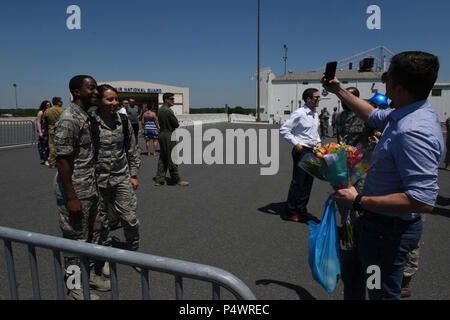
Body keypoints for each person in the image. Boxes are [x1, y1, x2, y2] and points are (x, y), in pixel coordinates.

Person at [323, 51, 444, 300]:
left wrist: (358, 201)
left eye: (387, 77)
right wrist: (338, 90)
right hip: (373, 225)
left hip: (386, 233)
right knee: (352, 272)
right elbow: (371, 114)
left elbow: (422, 200)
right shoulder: (406, 112)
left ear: (398, 87)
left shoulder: (413, 131)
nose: (384, 83)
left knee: (380, 293)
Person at [54, 75, 110, 300]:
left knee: (95, 236)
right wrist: (71, 197)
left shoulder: (88, 116)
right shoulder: (69, 119)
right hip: (76, 191)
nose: (96, 91)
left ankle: (92, 277)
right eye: (92, 88)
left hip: (91, 189)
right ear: (77, 92)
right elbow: (63, 160)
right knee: (75, 242)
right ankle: (75, 287)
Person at [90, 85, 141, 272]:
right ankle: (103, 259)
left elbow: (131, 149)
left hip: (121, 177)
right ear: (99, 101)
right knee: (100, 223)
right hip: (98, 181)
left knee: (130, 218)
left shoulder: (123, 121)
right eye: (109, 99)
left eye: (115, 99)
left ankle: (135, 254)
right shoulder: (90, 122)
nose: (114, 103)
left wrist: (133, 174)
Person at [279, 88, 322, 223]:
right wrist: (296, 143)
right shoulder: (299, 113)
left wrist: (319, 141)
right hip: (302, 151)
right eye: (316, 97)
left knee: (308, 183)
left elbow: (313, 132)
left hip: (313, 150)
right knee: (298, 182)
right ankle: (290, 212)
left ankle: (302, 210)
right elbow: (284, 130)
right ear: (309, 99)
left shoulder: (315, 114)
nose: (319, 99)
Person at [154, 93, 189, 186]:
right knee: (172, 157)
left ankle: (159, 179)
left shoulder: (160, 110)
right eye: (171, 99)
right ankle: (176, 179)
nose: (173, 101)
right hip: (169, 134)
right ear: (166, 100)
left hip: (161, 134)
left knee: (163, 157)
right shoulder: (168, 111)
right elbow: (176, 124)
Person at [43, 97, 64, 168]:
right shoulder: (62, 110)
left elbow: (45, 122)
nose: (62, 103)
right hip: (61, 130)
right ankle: (62, 162)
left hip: (51, 130)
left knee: (52, 147)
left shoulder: (47, 111)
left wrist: (47, 129)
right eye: (61, 101)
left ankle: (52, 163)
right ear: (58, 102)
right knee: (63, 147)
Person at [36, 100, 51, 166]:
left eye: (49, 104)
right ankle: (45, 160)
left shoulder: (50, 111)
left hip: (49, 130)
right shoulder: (41, 112)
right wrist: (40, 132)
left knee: (50, 146)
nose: (49, 106)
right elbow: (38, 122)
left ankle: (49, 159)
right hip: (43, 130)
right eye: (47, 105)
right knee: (43, 146)